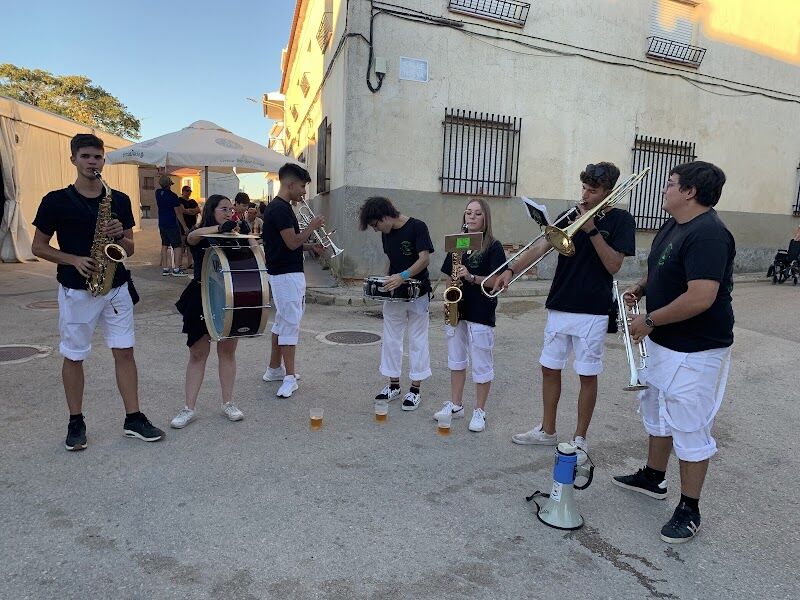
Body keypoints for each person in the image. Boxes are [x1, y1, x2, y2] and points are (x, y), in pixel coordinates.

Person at [614, 161, 734, 544]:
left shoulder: (710, 234)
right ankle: (653, 477)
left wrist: (649, 320)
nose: (664, 189)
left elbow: (701, 296)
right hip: (665, 341)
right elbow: (661, 267)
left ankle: (690, 508)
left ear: (690, 192)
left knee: (689, 424)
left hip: (697, 348)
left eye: (670, 183)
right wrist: (641, 288)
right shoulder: (674, 225)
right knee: (655, 407)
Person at [31, 133, 164, 450]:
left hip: (116, 287)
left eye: (98, 157)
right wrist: (73, 259)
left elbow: (129, 248)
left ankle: (133, 418)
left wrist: (120, 237)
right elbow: (38, 247)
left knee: (125, 351)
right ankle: (75, 421)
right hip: (77, 289)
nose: (93, 162)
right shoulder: (55, 200)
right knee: (74, 355)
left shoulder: (119, 199)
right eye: (86, 156)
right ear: (73, 159)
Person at [495, 162, 636, 455]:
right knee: (549, 367)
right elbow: (540, 248)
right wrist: (510, 270)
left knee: (587, 374)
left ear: (608, 192)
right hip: (561, 302)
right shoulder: (570, 214)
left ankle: (580, 439)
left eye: (592, 190)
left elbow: (613, 265)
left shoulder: (622, 220)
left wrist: (592, 229)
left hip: (593, 309)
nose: (584, 195)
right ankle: (547, 430)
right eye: (583, 188)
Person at [170, 195, 251, 428]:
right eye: (223, 209)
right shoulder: (202, 233)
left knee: (227, 352)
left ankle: (228, 403)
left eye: (231, 209)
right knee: (198, 354)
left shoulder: (235, 236)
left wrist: (245, 236)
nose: (229, 213)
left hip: (228, 298)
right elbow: (191, 237)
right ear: (211, 211)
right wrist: (219, 229)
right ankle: (188, 408)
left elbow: (256, 257)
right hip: (201, 297)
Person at [434, 199, 505, 432]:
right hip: (458, 308)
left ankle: (479, 411)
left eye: (477, 213)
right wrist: (449, 302)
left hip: (481, 310)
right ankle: (456, 405)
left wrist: (471, 277)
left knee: (481, 361)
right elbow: (448, 275)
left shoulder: (493, 246)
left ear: (486, 218)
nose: (471, 217)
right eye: (468, 213)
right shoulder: (458, 242)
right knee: (456, 359)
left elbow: (499, 281)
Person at [358, 196, 434, 410]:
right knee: (391, 339)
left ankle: (415, 390)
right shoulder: (386, 232)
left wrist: (403, 276)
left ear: (385, 216)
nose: (375, 229)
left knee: (418, 340)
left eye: (375, 224)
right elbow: (390, 259)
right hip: (394, 293)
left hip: (417, 291)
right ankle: (393, 386)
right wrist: (384, 280)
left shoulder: (417, 226)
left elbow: (424, 259)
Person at [260, 164, 323, 397]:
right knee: (290, 324)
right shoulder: (281, 209)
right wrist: (312, 227)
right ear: (290, 184)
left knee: (281, 323)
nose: (304, 192)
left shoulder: (279, 208)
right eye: (303, 186)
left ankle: (274, 369)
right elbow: (292, 242)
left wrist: (311, 246)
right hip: (286, 275)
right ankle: (289, 377)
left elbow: (287, 243)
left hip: (282, 273)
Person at [156, 175, 189, 276]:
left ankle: (165, 268)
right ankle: (176, 269)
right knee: (177, 245)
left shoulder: (157, 193)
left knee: (164, 245)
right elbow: (178, 213)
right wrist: (184, 226)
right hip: (171, 223)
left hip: (162, 223)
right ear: (169, 184)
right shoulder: (173, 196)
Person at [178, 185, 200, 269]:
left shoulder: (193, 201)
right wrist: (192, 211)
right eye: (187, 191)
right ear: (183, 192)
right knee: (181, 246)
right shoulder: (180, 200)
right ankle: (179, 264)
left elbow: (198, 210)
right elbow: (182, 210)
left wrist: (188, 211)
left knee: (190, 245)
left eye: (190, 191)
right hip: (182, 226)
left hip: (192, 226)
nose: (189, 192)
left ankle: (190, 263)